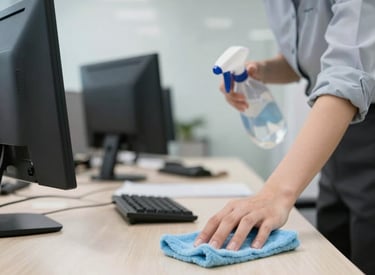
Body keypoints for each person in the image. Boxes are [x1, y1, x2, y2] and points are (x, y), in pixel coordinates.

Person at [194, 1, 375, 274]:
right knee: (331, 253)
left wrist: (275, 194)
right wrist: (262, 70)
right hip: (335, 135)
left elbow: (348, 73)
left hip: (363, 120)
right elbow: (304, 63)